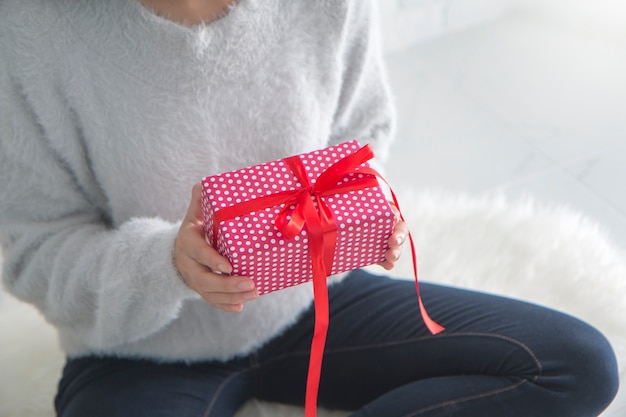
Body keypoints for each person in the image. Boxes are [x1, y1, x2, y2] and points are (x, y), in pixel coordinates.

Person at [0, 0, 619, 416]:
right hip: (137, 354)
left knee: (575, 363)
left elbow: (361, 139)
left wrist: (366, 214)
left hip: (313, 305)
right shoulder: (28, 33)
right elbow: (33, 247)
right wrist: (166, 264)